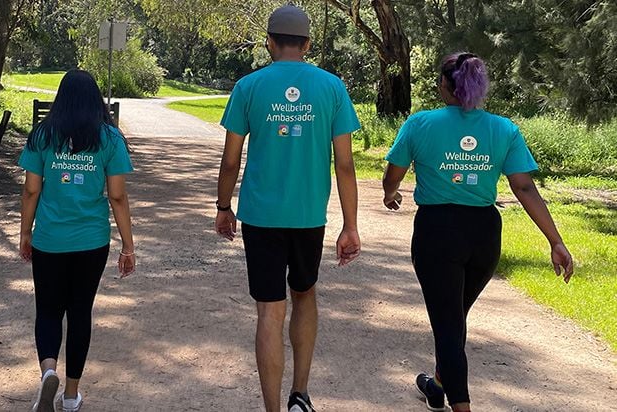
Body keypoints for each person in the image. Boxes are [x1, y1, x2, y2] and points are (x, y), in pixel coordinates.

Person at [382, 52, 574, 412]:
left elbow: (393, 175)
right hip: (484, 234)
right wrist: (556, 240)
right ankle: (437, 384)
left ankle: (460, 404)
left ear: (443, 86)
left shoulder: (419, 124)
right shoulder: (503, 129)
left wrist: (390, 193)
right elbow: (525, 188)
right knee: (453, 319)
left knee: (449, 327)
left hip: (438, 232)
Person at [215, 5, 361, 412]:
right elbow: (345, 164)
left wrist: (223, 206)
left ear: (269, 43)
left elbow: (230, 160)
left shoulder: (248, 86)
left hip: (261, 216)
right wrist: (350, 225)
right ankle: (301, 394)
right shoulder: (332, 87)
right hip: (308, 215)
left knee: (269, 311)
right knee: (305, 294)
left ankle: (273, 410)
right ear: (308, 44)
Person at [18, 69, 136, 412]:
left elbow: (30, 189)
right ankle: (70, 396)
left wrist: (25, 232)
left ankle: (48, 371)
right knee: (80, 311)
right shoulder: (110, 139)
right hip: (91, 241)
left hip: (49, 239)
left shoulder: (42, 136)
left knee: (49, 309)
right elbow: (117, 196)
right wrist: (128, 246)